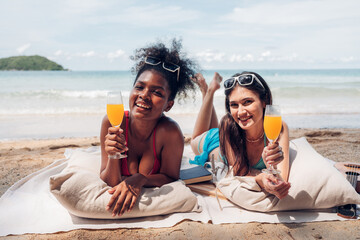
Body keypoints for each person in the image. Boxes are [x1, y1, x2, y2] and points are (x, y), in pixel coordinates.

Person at [100, 39, 197, 217]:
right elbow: (110, 181)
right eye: (139, 87)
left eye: (157, 92)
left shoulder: (170, 132)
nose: (144, 95)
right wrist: (113, 155)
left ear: (169, 105)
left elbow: (170, 177)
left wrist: (141, 178)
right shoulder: (113, 121)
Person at [190, 72, 291, 199]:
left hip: (228, 134)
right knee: (195, 139)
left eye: (247, 102)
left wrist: (272, 165)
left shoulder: (278, 128)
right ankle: (208, 90)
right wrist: (261, 179)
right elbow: (242, 173)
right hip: (214, 142)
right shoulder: (228, 124)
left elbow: (282, 176)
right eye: (234, 105)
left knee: (218, 126)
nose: (241, 112)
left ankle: (208, 90)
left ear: (264, 101)